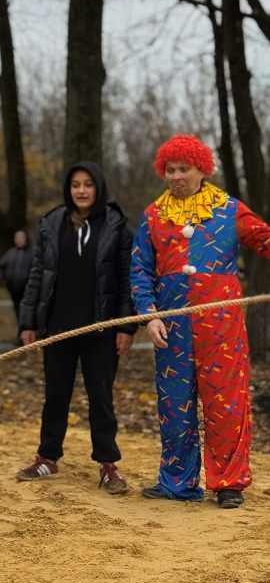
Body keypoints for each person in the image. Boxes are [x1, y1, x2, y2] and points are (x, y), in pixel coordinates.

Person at [131, 134, 270, 509]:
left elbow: (264, 239)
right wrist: (149, 314)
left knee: (226, 402)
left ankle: (229, 484)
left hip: (222, 325)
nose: (176, 176)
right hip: (171, 326)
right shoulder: (153, 215)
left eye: (184, 169)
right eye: (170, 170)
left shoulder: (229, 209)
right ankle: (177, 481)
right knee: (174, 404)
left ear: (202, 170)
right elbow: (140, 269)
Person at [16, 163, 135, 493]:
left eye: (88, 185)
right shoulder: (52, 223)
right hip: (59, 327)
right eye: (75, 185)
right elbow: (38, 274)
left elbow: (127, 279)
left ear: (99, 188)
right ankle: (47, 457)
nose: (81, 191)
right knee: (55, 395)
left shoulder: (116, 226)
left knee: (101, 398)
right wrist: (28, 321)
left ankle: (108, 465)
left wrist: (127, 327)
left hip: (102, 329)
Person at [0, 229, 34, 324]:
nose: (18, 240)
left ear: (26, 238)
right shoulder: (10, 252)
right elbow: (1, 265)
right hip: (13, 288)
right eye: (17, 237)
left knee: (27, 312)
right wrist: (5, 280)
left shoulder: (32, 253)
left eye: (21, 237)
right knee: (17, 310)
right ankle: (20, 328)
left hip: (27, 289)